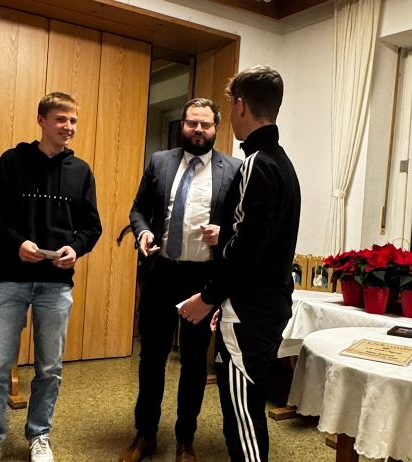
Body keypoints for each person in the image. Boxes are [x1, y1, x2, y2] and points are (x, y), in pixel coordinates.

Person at [0, 92, 102, 462]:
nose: (68, 127)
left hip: (56, 287)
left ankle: (39, 435)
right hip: (10, 280)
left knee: (49, 368)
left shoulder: (81, 171)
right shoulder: (11, 162)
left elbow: (92, 227)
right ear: (41, 121)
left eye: (73, 121)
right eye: (61, 119)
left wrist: (75, 248)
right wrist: (17, 243)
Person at [179, 66, 301, 461]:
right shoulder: (283, 163)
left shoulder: (256, 163)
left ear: (241, 106)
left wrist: (209, 298)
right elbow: (260, 241)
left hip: (250, 312)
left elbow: (246, 250)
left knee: (243, 421)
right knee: (247, 412)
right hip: (265, 305)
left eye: (231, 106)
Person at [120, 98, 241, 462]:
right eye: (192, 123)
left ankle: (185, 440)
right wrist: (143, 232)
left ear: (216, 127)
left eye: (205, 124)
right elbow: (138, 210)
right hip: (162, 272)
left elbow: (243, 224)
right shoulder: (160, 161)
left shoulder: (233, 169)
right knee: (151, 359)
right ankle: (145, 435)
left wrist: (225, 233)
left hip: (202, 280)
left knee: (193, 363)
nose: (198, 130)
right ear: (184, 125)